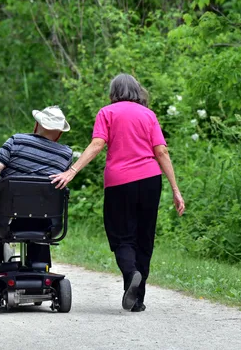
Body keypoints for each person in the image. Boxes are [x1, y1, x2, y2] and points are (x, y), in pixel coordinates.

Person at [50, 74, 185, 312]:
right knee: (145, 239)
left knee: (122, 237)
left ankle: (131, 273)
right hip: (150, 180)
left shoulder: (107, 112)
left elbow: (97, 144)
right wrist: (176, 190)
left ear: (113, 92)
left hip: (119, 182)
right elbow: (161, 152)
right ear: (137, 90)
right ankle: (137, 300)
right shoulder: (149, 115)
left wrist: (72, 171)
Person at [0, 106, 73, 277]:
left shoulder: (16, 141)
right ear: (59, 134)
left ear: (36, 126)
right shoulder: (66, 154)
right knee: (41, 209)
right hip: (46, 223)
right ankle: (40, 267)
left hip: (7, 219)